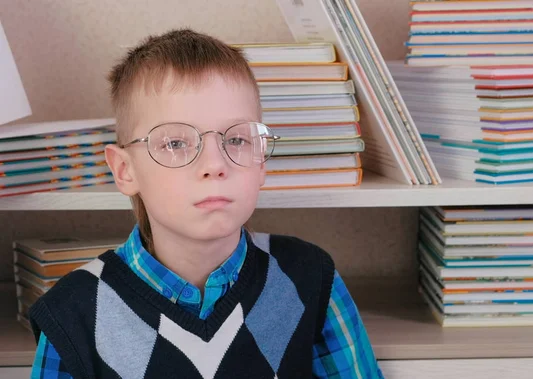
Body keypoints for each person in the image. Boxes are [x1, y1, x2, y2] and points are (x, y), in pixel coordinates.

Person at [29, 28, 383, 378]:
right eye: (175, 143)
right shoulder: (72, 311)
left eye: (238, 139)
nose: (215, 165)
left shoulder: (309, 278)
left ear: (262, 162)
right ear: (125, 169)